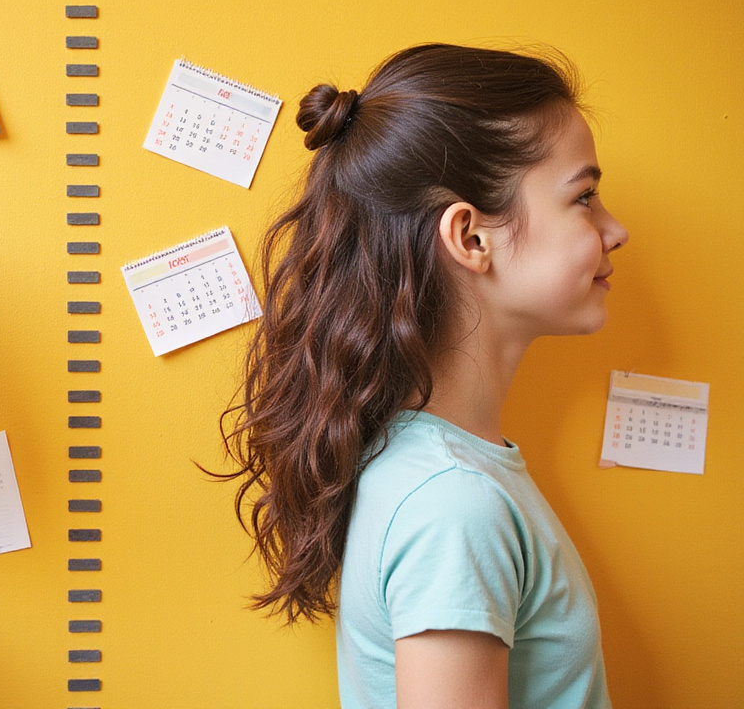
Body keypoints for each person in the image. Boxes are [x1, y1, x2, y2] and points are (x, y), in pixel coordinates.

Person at [220, 44, 628, 708]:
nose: (617, 231)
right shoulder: (455, 505)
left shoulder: (445, 475)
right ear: (471, 238)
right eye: (584, 197)